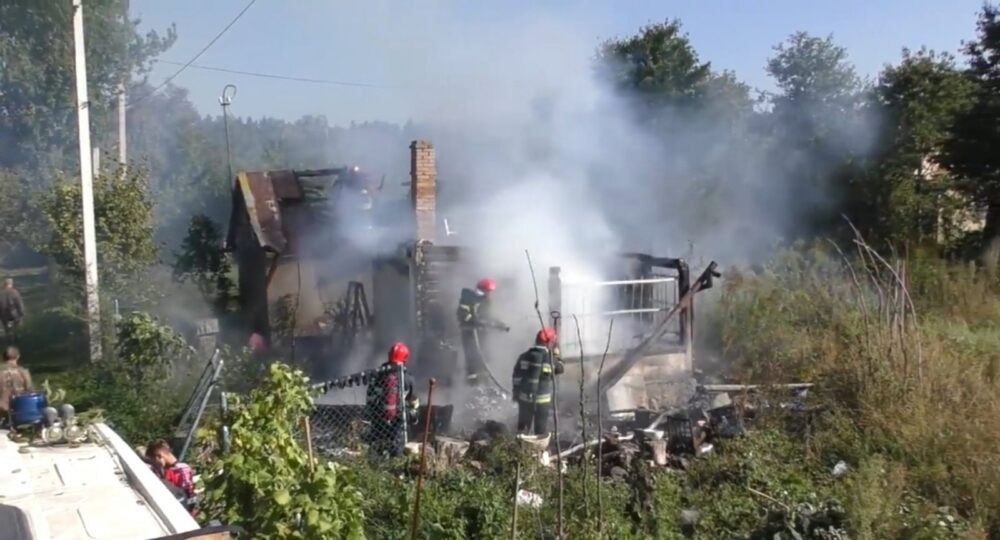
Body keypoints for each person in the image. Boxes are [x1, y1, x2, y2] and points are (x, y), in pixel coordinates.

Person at [365, 342, 419, 457]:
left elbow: (370, 397)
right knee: (397, 447)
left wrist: (371, 414)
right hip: (398, 419)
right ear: (405, 358)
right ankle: (396, 460)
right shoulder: (408, 379)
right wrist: (413, 417)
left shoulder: (377, 375)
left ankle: (374, 461)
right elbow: (413, 400)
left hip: (378, 417)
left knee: (375, 445)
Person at [511, 328, 564, 436]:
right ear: (550, 343)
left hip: (525, 399)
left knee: (523, 429)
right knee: (540, 430)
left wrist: (516, 393)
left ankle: (520, 449)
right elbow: (560, 369)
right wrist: (557, 355)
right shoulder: (550, 359)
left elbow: (516, 377)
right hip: (543, 402)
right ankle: (538, 450)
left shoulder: (524, 356)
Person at [456, 278, 509, 383]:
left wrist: (500, 324)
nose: (489, 294)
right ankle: (472, 381)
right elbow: (463, 315)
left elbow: (489, 316)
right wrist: (477, 321)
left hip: (481, 332)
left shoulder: (485, 300)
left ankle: (484, 379)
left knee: (485, 354)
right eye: (488, 292)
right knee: (472, 355)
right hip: (469, 332)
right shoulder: (467, 298)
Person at [146, 440, 197, 510]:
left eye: (154, 460)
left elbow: (186, 494)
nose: (155, 464)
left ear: (159, 456)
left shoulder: (180, 470)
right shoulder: (170, 470)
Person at [0, 346, 32, 419]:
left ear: (3, 357)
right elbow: (30, 391)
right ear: (18, 357)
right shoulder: (23, 372)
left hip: (2, 412)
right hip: (19, 411)